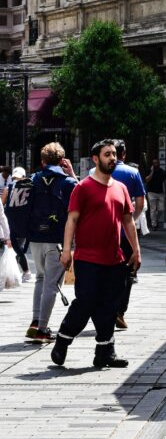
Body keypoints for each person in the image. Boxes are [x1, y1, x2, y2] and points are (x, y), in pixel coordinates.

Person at [50, 139, 141, 370]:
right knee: (86, 303)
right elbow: (72, 219)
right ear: (95, 159)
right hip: (87, 259)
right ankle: (63, 339)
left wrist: (136, 250)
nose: (112, 158)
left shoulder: (120, 188)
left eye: (113, 154)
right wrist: (67, 250)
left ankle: (105, 352)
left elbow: (128, 221)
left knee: (110, 306)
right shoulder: (83, 188)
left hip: (115, 258)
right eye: (107, 154)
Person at [21, 145, 77, 343]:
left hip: (36, 237)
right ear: (62, 160)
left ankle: (36, 321)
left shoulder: (33, 180)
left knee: (40, 278)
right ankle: (43, 329)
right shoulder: (68, 182)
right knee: (52, 284)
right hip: (58, 239)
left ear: (43, 160)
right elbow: (82, 201)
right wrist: (72, 174)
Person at [111, 140, 146, 330]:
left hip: (103, 232)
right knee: (128, 273)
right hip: (125, 234)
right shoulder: (133, 173)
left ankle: (106, 308)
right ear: (123, 154)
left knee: (105, 271)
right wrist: (131, 220)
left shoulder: (95, 172)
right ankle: (120, 311)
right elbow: (140, 203)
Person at [7, 166, 31, 283]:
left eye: (18, 178)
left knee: (17, 249)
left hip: (17, 222)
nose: (16, 180)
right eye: (15, 178)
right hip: (18, 222)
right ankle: (20, 272)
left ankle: (24, 272)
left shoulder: (11, 187)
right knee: (18, 249)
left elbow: (2, 203)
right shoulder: (28, 188)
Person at [144, 159, 166, 231]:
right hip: (151, 193)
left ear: (159, 163)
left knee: (161, 209)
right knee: (153, 209)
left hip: (160, 193)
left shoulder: (162, 172)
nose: (155, 164)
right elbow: (147, 180)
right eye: (154, 163)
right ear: (152, 164)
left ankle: (155, 220)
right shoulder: (149, 171)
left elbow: (165, 182)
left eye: (157, 163)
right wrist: (152, 172)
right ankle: (154, 224)